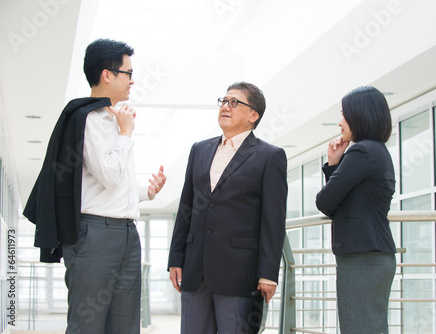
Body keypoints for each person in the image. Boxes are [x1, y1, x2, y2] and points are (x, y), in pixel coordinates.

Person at [23, 38, 167, 333]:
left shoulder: (114, 119)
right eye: (127, 73)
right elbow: (110, 175)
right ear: (107, 74)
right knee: (87, 324)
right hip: (95, 235)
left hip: (126, 232)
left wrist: (146, 192)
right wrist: (126, 133)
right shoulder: (88, 118)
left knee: (125, 325)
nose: (132, 80)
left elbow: (109, 185)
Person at [168, 81, 287, 334]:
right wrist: (176, 259)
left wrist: (268, 274)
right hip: (195, 267)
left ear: (253, 115)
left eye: (234, 102)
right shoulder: (199, 150)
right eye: (223, 101)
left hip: (238, 272)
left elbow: (273, 220)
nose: (226, 106)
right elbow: (186, 207)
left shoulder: (269, 156)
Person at [315, 86, 396, 334]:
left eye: (344, 115)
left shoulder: (362, 151)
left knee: (359, 327)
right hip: (372, 254)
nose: (340, 123)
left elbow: (325, 201)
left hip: (363, 257)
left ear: (360, 116)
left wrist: (333, 165)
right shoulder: (375, 150)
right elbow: (343, 198)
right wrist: (334, 164)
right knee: (369, 326)